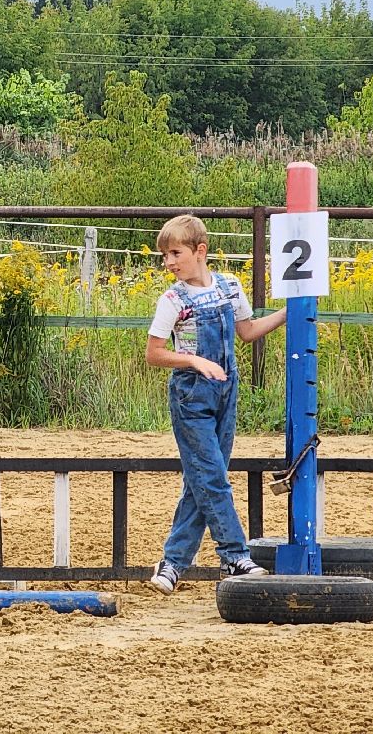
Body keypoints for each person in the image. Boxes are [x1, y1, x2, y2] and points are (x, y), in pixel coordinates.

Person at [145, 214, 287, 595]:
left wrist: (289, 313)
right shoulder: (172, 300)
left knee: (204, 479)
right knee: (212, 478)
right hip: (191, 395)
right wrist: (193, 360)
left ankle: (173, 563)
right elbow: (154, 353)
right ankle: (234, 554)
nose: (169, 262)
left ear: (200, 251)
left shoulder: (229, 286)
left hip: (226, 392)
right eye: (165, 256)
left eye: (175, 253)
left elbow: (248, 331)